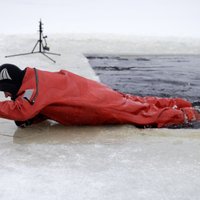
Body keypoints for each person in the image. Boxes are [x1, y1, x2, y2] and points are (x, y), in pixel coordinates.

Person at [0, 63, 199, 128]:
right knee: (138, 101)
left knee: (144, 115)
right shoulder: (35, 78)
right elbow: (46, 105)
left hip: (98, 104)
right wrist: (37, 117)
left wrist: (27, 117)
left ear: (11, 83)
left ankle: (191, 115)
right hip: (97, 93)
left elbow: (22, 111)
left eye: (5, 89)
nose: (6, 94)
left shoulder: (32, 89)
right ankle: (181, 103)